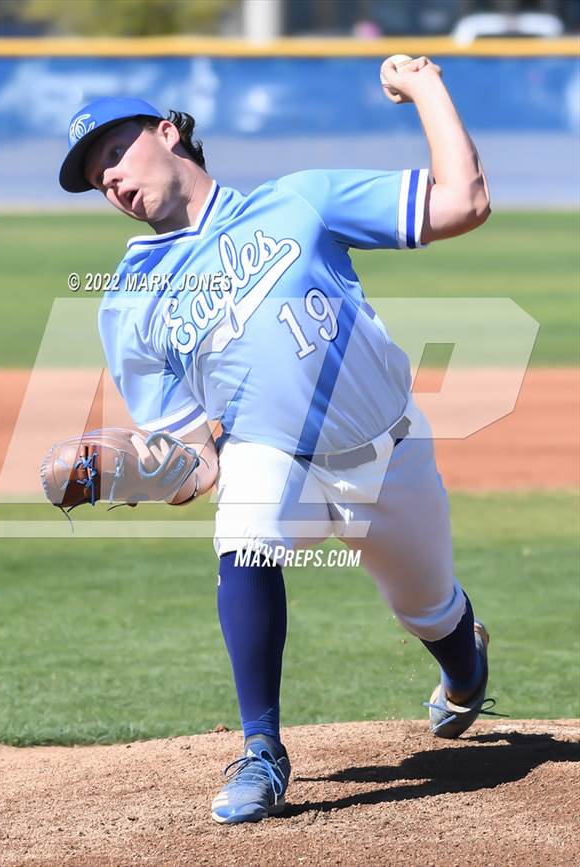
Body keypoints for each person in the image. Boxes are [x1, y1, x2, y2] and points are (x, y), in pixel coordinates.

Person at [58, 56, 495, 825]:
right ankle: (262, 748)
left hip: (391, 453)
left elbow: (464, 204)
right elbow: (199, 463)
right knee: (244, 536)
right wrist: (126, 470)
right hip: (269, 453)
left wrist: (424, 84)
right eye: (97, 180)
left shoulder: (300, 201)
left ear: (168, 133)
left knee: (431, 615)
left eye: (115, 154)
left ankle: (465, 667)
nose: (112, 183)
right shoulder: (129, 300)